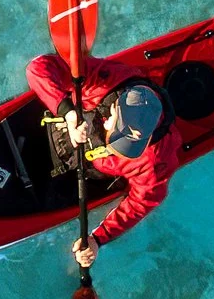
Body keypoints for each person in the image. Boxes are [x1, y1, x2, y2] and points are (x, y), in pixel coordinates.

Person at [25, 51, 184, 268]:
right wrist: (69, 114)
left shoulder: (156, 159)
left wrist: (98, 239)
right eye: (116, 130)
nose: (108, 129)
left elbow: (141, 202)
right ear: (114, 107)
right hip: (55, 127)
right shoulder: (103, 81)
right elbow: (38, 68)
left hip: (81, 172)